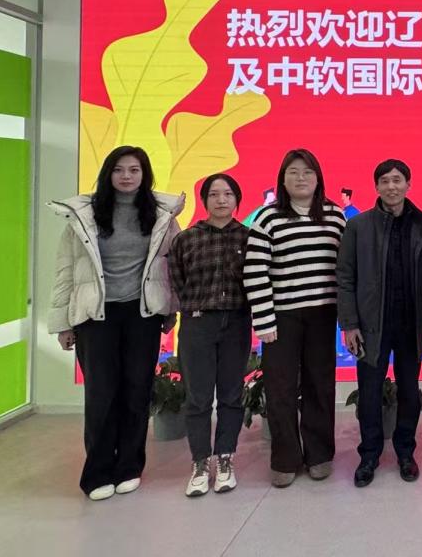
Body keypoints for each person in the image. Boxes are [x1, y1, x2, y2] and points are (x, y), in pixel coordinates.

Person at [48, 146, 183, 501]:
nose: (126, 176)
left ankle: (129, 467)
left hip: (142, 315)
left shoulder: (161, 215)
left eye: (134, 170)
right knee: (101, 393)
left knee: (137, 391)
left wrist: (170, 310)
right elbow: (66, 271)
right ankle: (97, 472)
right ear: (108, 173)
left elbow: (172, 268)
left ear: (144, 174)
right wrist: (63, 323)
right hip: (96, 316)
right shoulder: (85, 215)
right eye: (119, 169)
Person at [243, 149, 345, 488]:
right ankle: (285, 458)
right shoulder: (268, 218)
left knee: (320, 384)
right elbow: (255, 270)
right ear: (282, 180)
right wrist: (264, 319)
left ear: (318, 178)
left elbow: (346, 269)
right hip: (281, 317)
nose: (301, 178)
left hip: (323, 314)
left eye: (307, 172)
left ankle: (319, 454)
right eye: (293, 172)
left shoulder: (335, 216)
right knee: (280, 388)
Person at [337, 159, 422, 487]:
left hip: (410, 324)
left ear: (408, 184)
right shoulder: (359, 226)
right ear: (376, 187)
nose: (391, 186)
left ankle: (405, 452)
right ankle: (369, 455)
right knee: (369, 392)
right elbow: (345, 277)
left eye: (397, 180)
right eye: (385, 181)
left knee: (409, 390)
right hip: (371, 325)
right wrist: (349, 323)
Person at [169, 173, 251, 498]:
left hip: (237, 322)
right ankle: (200, 462)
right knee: (198, 397)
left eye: (227, 194)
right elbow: (177, 280)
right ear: (204, 200)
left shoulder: (249, 238)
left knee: (231, 394)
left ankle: (225, 458)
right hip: (197, 324)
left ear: (237, 200)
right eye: (214, 194)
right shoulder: (186, 239)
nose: (221, 200)